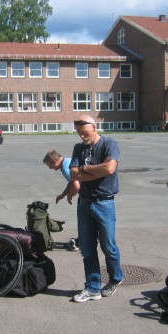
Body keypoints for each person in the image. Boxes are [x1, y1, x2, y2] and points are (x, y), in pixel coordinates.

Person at [69, 114, 124, 302]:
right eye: (78, 133)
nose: (81, 137)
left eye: (84, 133)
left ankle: (116, 277)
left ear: (94, 127)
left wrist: (85, 170)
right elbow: (74, 174)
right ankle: (92, 287)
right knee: (87, 248)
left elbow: (109, 169)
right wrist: (94, 171)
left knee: (108, 246)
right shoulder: (78, 148)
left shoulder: (109, 144)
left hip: (104, 203)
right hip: (84, 203)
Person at [43, 149, 80, 251]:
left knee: (83, 219)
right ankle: (83, 241)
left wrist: (70, 196)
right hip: (90, 194)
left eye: (49, 165)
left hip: (88, 196)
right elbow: (71, 182)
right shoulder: (68, 161)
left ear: (54, 162)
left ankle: (81, 244)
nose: (50, 168)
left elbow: (76, 186)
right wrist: (63, 195)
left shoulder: (66, 167)